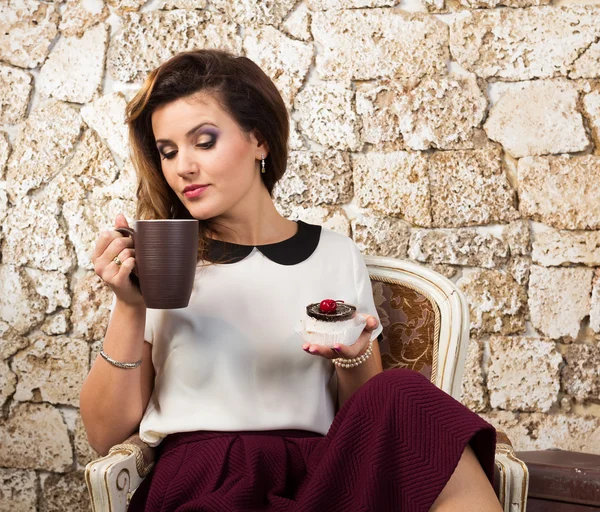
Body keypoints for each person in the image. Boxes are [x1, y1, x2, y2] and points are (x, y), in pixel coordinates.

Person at [80, 49, 501, 512]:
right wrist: (130, 304)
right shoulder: (161, 262)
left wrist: (355, 356)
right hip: (207, 481)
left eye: (204, 141)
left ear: (258, 139)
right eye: (168, 151)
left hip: (325, 480)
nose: (183, 167)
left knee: (400, 393)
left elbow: (365, 419)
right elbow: (106, 436)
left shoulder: (336, 253)